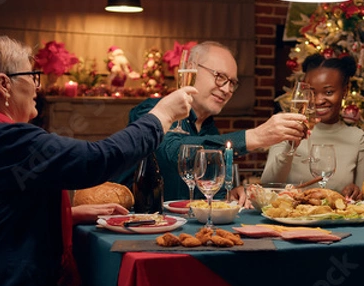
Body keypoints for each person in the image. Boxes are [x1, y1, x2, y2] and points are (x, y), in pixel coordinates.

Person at [0, 35, 196, 286]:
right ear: (4, 84)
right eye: (32, 75)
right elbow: (98, 159)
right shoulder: (11, 140)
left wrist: (68, 214)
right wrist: (161, 116)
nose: (36, 85)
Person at [120, 41, 306, 204]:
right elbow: (171, 152)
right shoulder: (149, 111)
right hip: (139, 227)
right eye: (219, 77)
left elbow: (208, 189)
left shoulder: (209, 127)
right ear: (191, 69)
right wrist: (255, 136)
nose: (226, 89)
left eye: (232, 82)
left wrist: (230, 194)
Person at [260, 54, 364, 199]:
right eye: (311, 92)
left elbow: (362, 196)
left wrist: (355, 191)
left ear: (345, 91)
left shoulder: (357, 138)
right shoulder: (287, 128)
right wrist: (290, 146)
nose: (318, 100)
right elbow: (267, 186)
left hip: (337, 219)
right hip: (290, 218)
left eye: (328, 92)